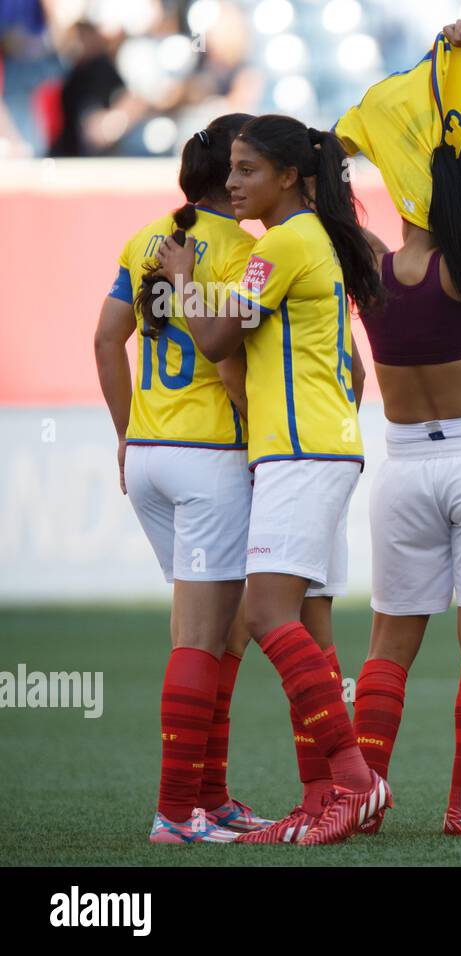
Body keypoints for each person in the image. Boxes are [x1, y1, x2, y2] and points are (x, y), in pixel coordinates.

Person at [157, 113, 390, 845]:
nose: (232, 183)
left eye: (248, 169)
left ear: (288, 176)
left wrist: (185, 278)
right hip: (317, 449)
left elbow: (217, 338)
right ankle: (324, 794)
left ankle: (355, 784)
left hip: (300, 455)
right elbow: (352, 368)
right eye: (230, 169)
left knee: (264, 616)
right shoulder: (310, 241)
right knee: (309, 628)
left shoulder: (284, 244)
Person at [335, 16, 461, 837]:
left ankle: (367, 796)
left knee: (389, 646)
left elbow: (328, 185)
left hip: (402, 466)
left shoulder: (369, 262)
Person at [94, 112, 272, 843]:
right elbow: (232, 368)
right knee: (202, 638)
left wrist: (125, 435)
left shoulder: (149, 238)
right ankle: (174, 814)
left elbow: (107, 338)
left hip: (152, 455)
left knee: (221, 632)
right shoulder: (237, 250)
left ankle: (211, 799)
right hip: (211, 460)